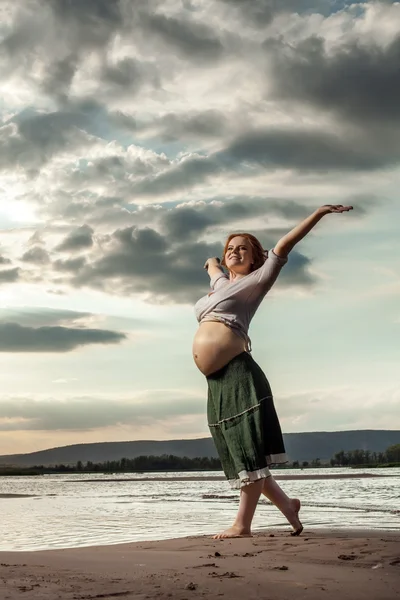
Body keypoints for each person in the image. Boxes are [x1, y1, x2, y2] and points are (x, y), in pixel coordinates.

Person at [193, 204, 353, 539]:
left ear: (256, 258)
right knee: (240, 447)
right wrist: (212, 263)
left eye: (244, 248)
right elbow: (213, 270)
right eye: (231, 248)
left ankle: (243, 525)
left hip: (238, 372)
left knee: (248, 447)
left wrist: (320, 212)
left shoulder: (258, 280)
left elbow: (284, 246)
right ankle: (289, 508)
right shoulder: (221, 284)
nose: (236, 252)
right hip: (216, 379)